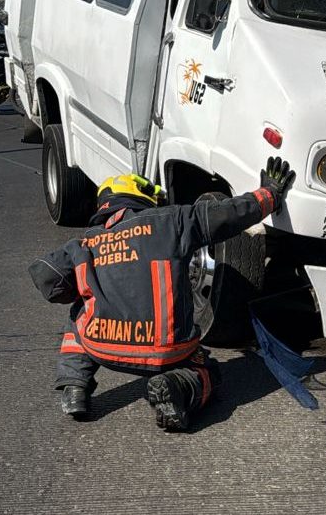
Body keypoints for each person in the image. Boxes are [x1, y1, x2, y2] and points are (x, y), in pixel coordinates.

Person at [29, 157, 295, 431]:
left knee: (78, 311)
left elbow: (45, 276)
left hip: (102, 348)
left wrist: (89, 285)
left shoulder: (85, 242)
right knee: (207, 372)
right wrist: (269, 194)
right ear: (140, 196)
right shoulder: (171, 220)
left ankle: (75, 387)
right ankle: (177, 385)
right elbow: (229, 215)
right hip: (168, 351)